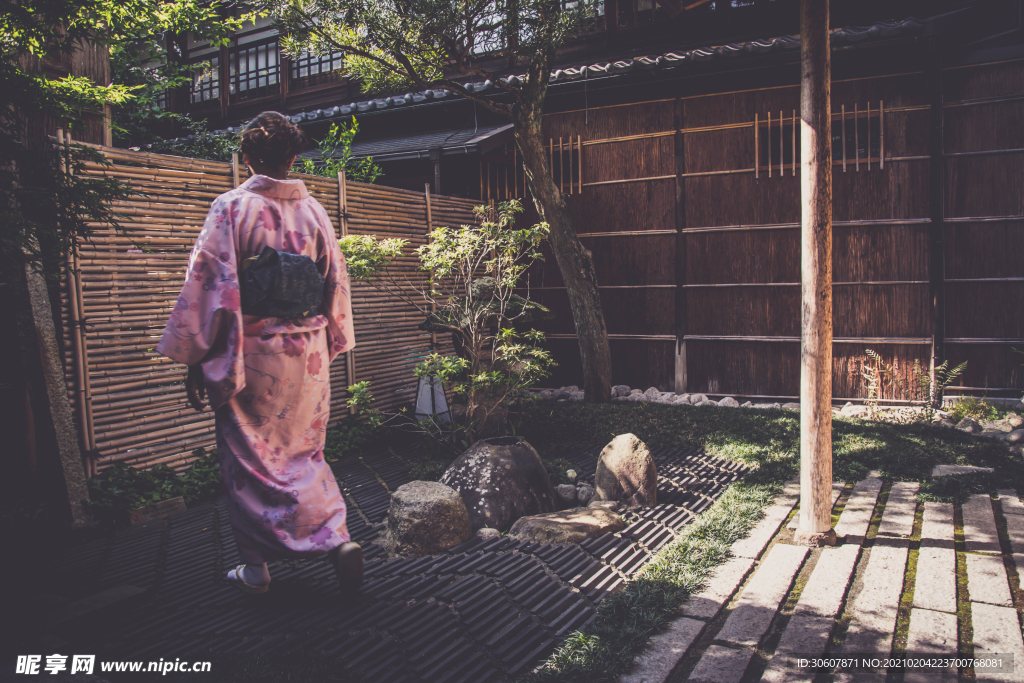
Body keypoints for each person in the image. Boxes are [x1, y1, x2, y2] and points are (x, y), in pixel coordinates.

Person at [156, 111, 363, 595]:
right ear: (294, 158)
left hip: (252, 351)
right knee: (304, 453)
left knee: (248, 459)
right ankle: (335, 540)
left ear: (246, 158)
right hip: (306, 352)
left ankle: (256, 570)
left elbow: (209, 286)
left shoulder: (232, 208)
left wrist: (197, 359)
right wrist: (329, 339)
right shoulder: (315, 213)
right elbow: (335, 284)